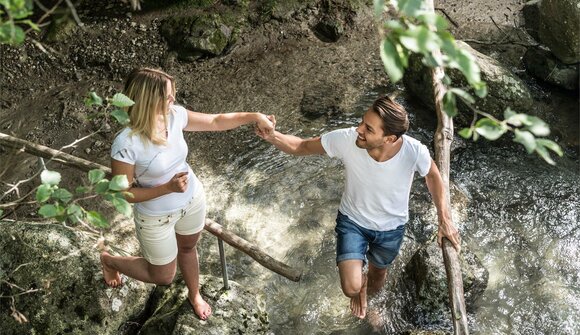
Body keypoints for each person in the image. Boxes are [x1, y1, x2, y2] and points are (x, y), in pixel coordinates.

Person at [256, 95, 460, 319]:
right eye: (362, 122)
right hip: (353, 222)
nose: (359, 129)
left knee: (378, 275)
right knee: (350, 287)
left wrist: (444, 219)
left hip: (392, 228)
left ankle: (371, 303)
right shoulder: (347, 139)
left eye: (369, 129)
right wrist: (272, 136)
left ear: (390, 139)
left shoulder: (413, 151)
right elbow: (302, 146)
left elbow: (432, 175)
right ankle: (358, 290)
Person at [100, 67, 275, 320]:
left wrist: (255, 116)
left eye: (173, 95)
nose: (173, 100)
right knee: (163, 275)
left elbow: (216, 121)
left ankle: (195, 294)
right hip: (155, 217)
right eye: (167, 97)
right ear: (149, 99)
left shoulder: (174, 116)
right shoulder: (127, 142)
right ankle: (110, 261)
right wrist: (165, 189)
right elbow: (122, 194)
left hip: (192, 200)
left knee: (188, 248)